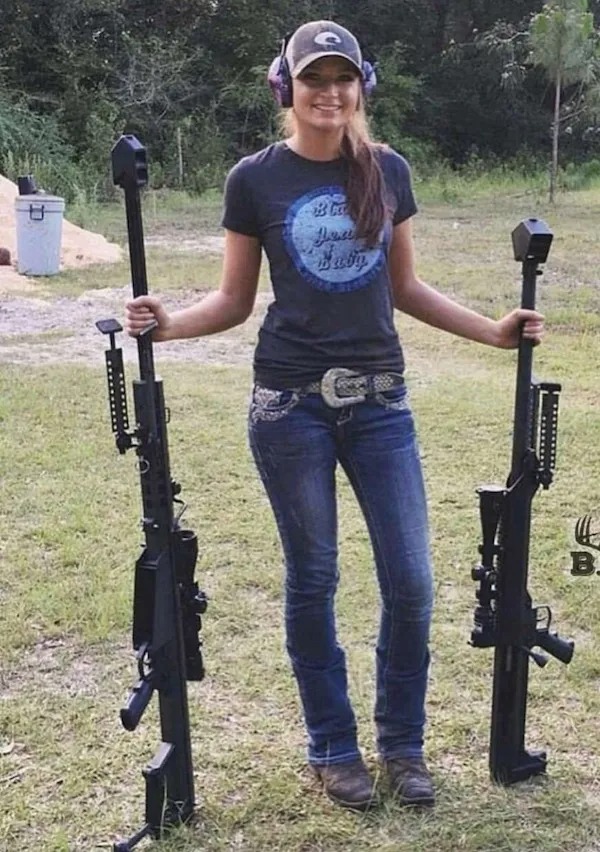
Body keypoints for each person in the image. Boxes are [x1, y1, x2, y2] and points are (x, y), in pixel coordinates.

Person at [125, 20, 545, 813]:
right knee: (314, 579)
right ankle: (332, 747)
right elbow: (234, 300)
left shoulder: (387, 170)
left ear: (362, 87)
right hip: (289, 408)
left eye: (342, 79)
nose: (330, 93)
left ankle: (402, 745)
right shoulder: (254, 179)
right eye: (313, 80)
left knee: (412, 582)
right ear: (287, 90)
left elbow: (405, 289)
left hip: (382, 404)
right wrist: (168, 322)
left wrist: (492, 330)